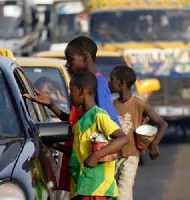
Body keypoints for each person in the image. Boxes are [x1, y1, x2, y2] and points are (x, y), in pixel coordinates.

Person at [23, 36, 121, 199]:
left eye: (70, 60)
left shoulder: (98, 88)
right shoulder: (87, 100)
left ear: (85, 57)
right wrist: (51, 105)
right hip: (84, 178)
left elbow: (110, 129)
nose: (68, 65)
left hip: (95, 181)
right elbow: (81, 123)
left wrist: (96, 155)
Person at [55, 71, 128, 199]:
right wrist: (56, 146)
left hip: (96, 187)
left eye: (71, 91)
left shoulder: (99, 115)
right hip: (83, 184)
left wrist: (96, 156)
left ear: (81, 91)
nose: (69, 95)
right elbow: (79, 152)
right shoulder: (82, 118)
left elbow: (123, 138)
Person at [108, 66, 168, 200]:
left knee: (123, 191)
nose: (109, 82)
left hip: (131, 156)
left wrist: (154, 144)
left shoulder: (139, 104)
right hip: (113, 155)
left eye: (112, 79)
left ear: (121, 83)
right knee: (113, 193)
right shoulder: (111, 105)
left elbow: (163, 124)